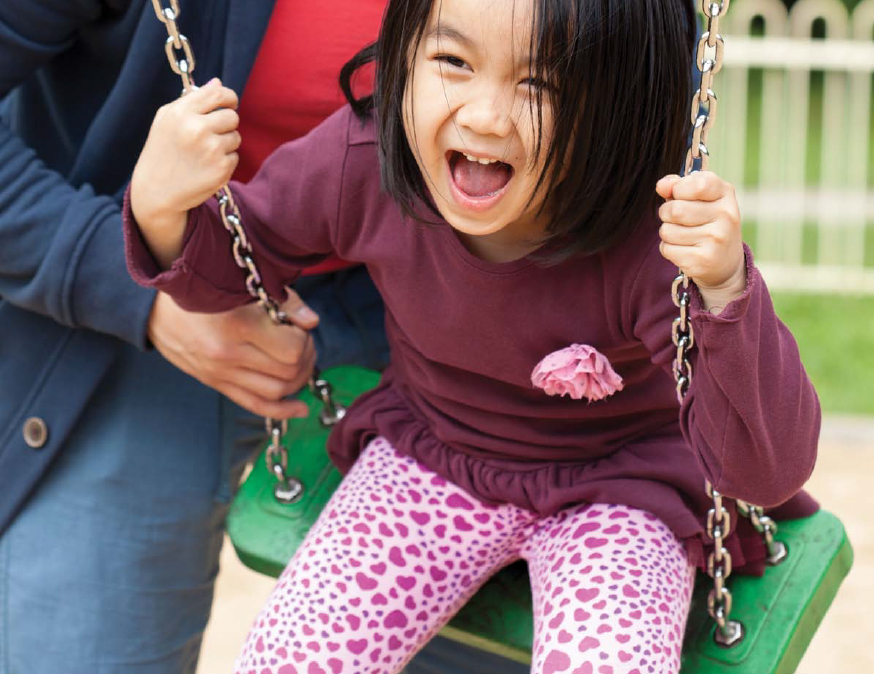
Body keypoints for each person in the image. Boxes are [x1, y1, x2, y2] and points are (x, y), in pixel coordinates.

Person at [124, 0, 822, 672]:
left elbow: (764, 470)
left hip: (620, 490)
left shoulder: (652, 241)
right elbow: (230, 265)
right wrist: (160, 206)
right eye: (454, 60)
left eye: (541, 82)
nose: (485, 115)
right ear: (404, 54)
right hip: (428, 459)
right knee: (290, 658)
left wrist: (728, 290)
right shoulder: (363, 160)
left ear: (622, 107)